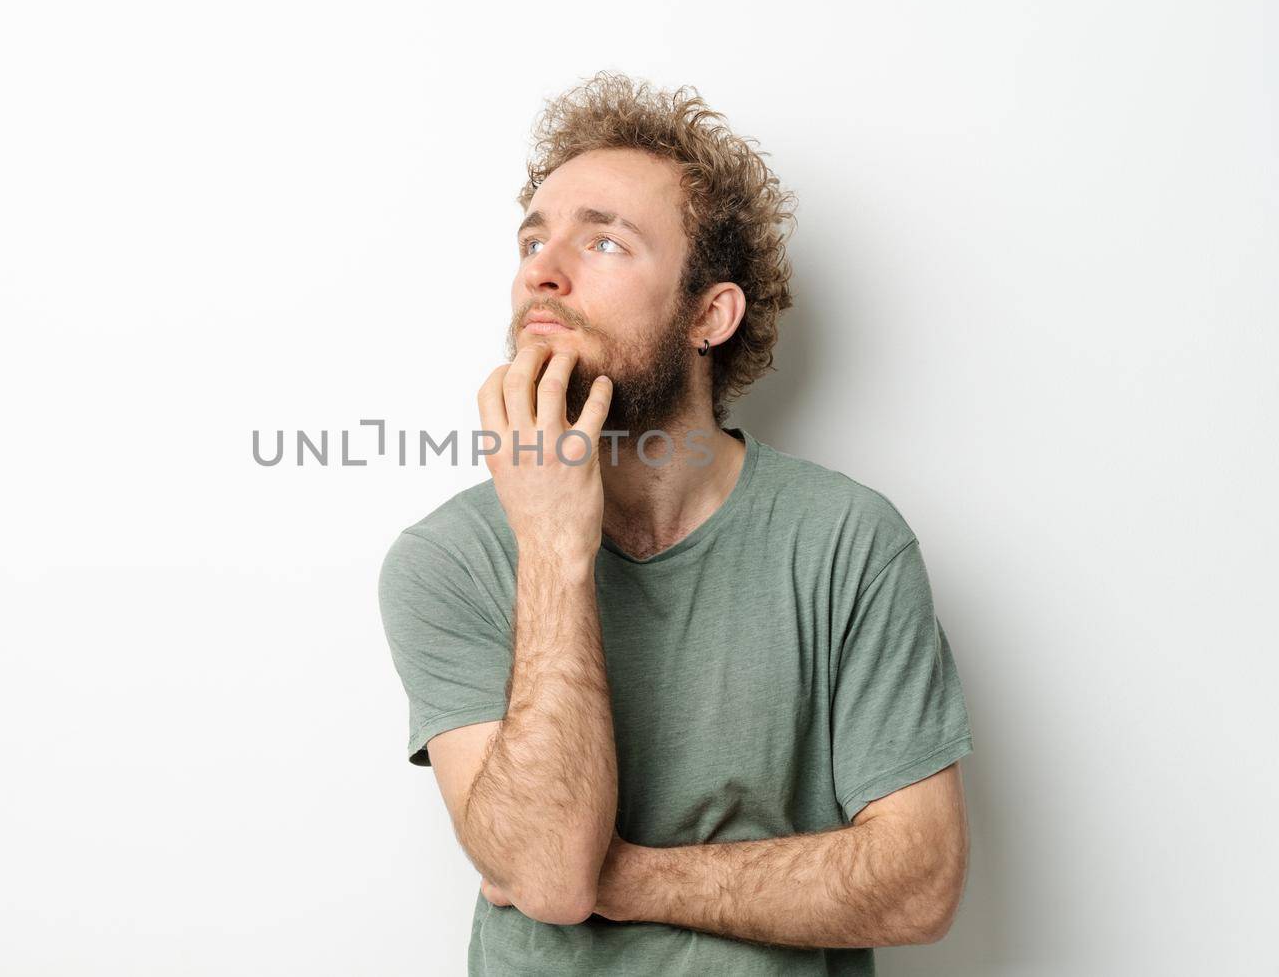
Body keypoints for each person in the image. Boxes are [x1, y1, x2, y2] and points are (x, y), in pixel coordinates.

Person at [377, 71, 973, 976]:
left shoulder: (848, 541)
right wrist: (552, 546)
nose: (542, 266)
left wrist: (620, 878)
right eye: (533, 237)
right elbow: (543, 866)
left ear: (709, 313)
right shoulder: (447, 560)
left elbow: (920, 883)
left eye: (605, 241)